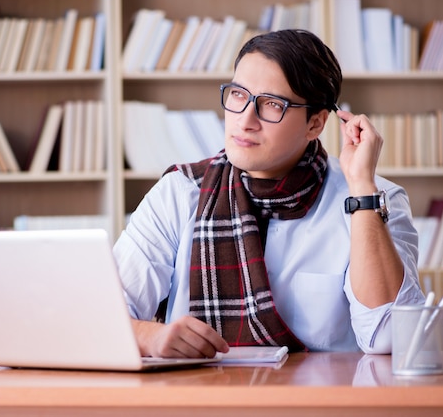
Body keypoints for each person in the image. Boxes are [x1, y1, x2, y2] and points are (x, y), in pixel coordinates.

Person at [113, 29, 424, 358]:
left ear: (315, 124)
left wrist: (362, 189)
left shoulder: (375, 199)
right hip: (199, 402)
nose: (245, 120)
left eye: (272, 104)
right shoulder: (179, 193)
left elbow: (390, 336)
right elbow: (99, 311)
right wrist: (150, 336)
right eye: (237, 95)